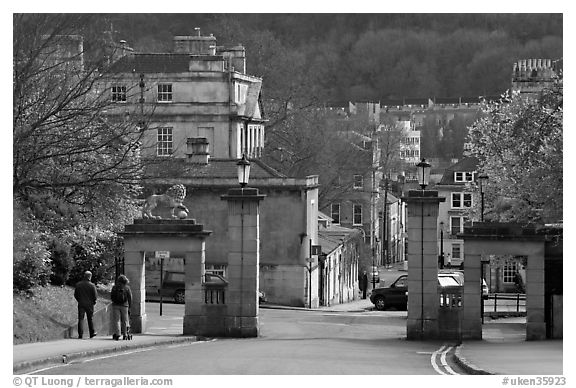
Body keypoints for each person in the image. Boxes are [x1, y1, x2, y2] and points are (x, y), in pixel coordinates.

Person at [74, 270, 98, 339]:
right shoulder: (92, 285)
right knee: (90, 318)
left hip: (81, 303)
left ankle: (80, 334)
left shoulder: (78, 284)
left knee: (81, 319)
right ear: (89, 277)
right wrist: (94, 301)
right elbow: (95, 296)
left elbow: (76, 294)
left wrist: (79, 300)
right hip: (90, 304)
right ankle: (92, 333)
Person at [111, 274, 132, 341]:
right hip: (124, 306)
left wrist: (114, 301)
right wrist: (130, 306)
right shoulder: (127, 288)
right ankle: (125, 334)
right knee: (125, 320)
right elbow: (130, 298)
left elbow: (112, 296)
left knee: (117, 320)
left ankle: (117, 334)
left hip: (116, 305)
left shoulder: (114, 287)